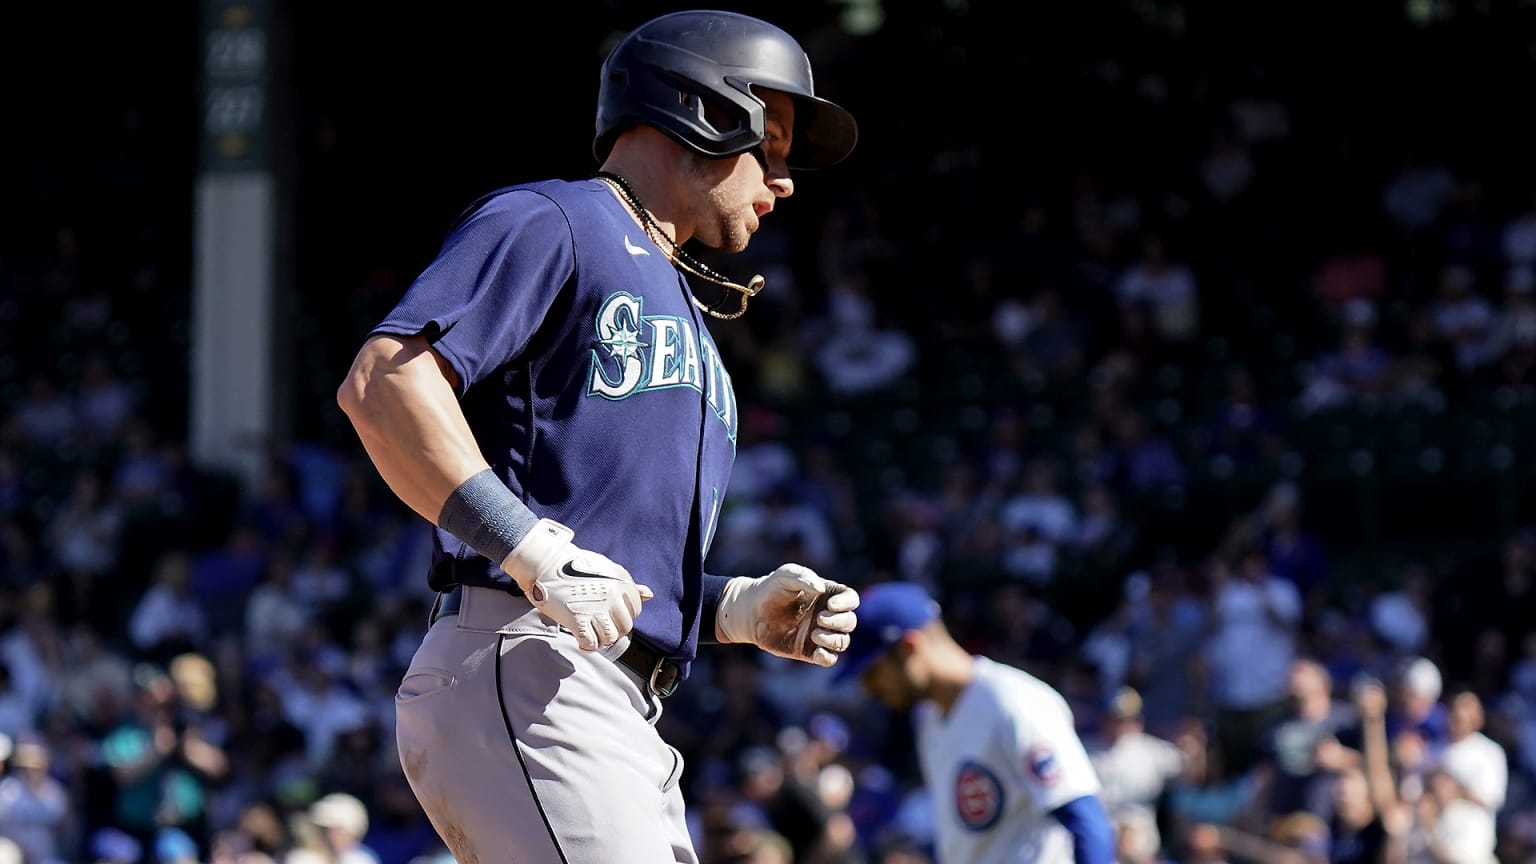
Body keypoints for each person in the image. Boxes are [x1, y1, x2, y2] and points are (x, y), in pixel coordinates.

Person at [335, 9, 862, 863]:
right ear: (703, 110)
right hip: (533, 666)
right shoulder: (559, 219)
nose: (785, 180)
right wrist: (529, 550)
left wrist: (727, 607)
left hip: (614, 701)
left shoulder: (686, 310)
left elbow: (606, 540)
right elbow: (384, 382)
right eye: (772, 145)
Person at [833, 582, 1115, 863]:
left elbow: (1088, 824)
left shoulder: (1012, 701)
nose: (868, 689)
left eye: (872, 673)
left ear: (908, 648)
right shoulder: (929, 719)